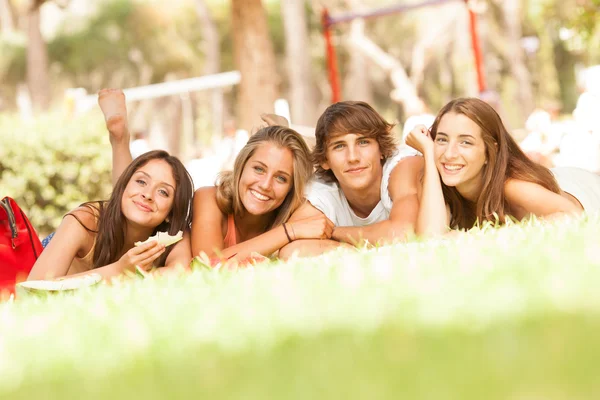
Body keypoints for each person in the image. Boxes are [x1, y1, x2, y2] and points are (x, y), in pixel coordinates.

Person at [405, 97, 600, 237]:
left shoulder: (513, 186)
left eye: (466, 142)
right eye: (442, 139)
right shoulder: (434, 179)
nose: (449, 154)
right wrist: (430, 155)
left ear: (490, 151)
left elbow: (572, 215)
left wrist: (491, 234)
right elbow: (430, 238)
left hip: (583, 187)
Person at [279, 101, 424, 259]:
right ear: (325, 160)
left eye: (363, 142)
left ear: (381, 149)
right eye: (339, 146)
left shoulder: (402, 167)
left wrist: (333, 232)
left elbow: (403, 233)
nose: (353, 157)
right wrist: (352, 252)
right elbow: (289, 251)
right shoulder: (321, 191)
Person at [28, 150, 195, 281]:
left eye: (163, 192)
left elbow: (178, 274)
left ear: (172, 212)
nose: (148, 194)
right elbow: (35, 288)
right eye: (141, 182)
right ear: (123, 186)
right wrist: (118, 271)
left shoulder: (175, 235)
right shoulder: (84, 220)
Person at [192, 124, 333, 261]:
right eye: (259, 169)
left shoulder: (299, 212)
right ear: (242, 164)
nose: (265, 185)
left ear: (291, 188)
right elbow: (207, 265)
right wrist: (289, 231)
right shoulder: (208, 198)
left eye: (281, 178)